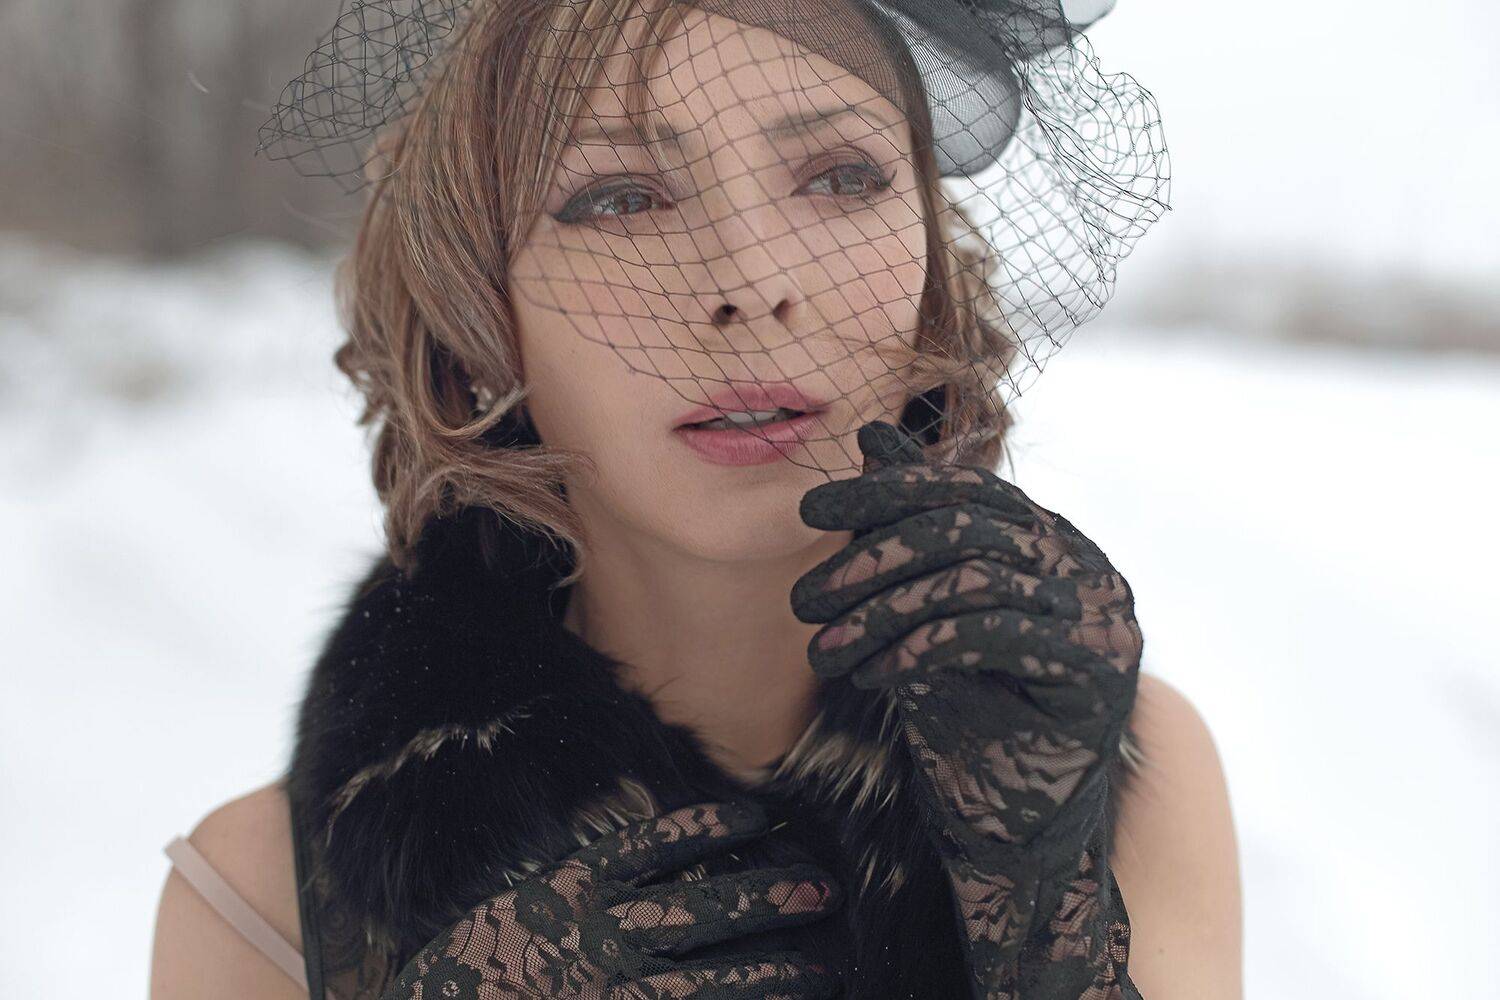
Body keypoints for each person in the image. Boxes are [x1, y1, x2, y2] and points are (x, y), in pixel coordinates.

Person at [150, 1, 1241, 997]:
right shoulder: (262, 897)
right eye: (621, 197)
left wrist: (1042, 929)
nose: (752, 282)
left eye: (840, 177)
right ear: (481, 316)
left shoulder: (1107, 775)